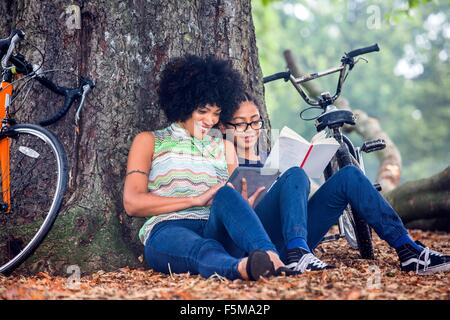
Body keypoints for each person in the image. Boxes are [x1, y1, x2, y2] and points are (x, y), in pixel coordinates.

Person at [221, 92, 450, 275]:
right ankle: (296, 254)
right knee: (295, 174)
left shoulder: (267, 152)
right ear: (225, 127)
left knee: (349, 175)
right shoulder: (224, 152)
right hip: (257, 243)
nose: (250, 130)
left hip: (291, 236)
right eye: (241, 124)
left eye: (255, 122)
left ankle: (408, 249)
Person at [123, 55, 299, 281]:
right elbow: (132, 203)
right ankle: (243, 268)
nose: (210, 120)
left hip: (217, 226)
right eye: (203, 111)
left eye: (216, 113)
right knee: (202, 250)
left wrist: (243, 206)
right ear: (183, 104)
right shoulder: (149, 141)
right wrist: (194, 200)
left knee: (225, 192)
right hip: (168, 228)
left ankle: (270, 257)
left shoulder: (224, 146)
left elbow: (231, 197)